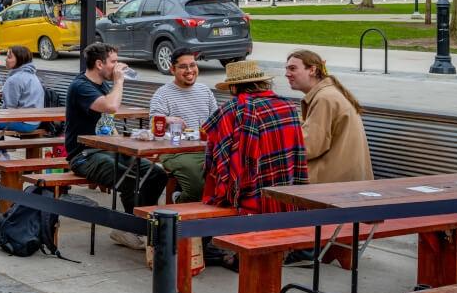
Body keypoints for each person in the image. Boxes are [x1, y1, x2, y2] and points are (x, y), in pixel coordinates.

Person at [66, 42, 168, 249]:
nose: (118, 66)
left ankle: (141, 225)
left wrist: (130, 139)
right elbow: (111, 107)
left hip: (108, 150)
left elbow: (108, 123)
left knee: (157, 174)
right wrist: (119, 81)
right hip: (84, 154)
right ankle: (128, 228)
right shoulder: (81, 86)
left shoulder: (104, 86)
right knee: (130, 178)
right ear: (99, 64)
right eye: (113, 62)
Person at [202, 60, 307, 216]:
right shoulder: (288, 106)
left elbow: (214, 156)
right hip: (287, 192)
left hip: (249, 196)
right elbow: (298, 152)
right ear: (261, 81)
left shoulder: (231, 109)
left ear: (234, 86)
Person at [285, 49, 373, 184]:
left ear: (312, 70)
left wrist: (277, 138)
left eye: (292, 69)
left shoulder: (324, 98)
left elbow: (310, 146)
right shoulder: (328, 92)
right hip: (348, 177)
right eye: (287, 69)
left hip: (335, 181)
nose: (287, 74)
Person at [148, 49, 220, 203]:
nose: (189, 71)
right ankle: (179, 203)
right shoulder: (163, 94)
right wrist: (168, 120)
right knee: (198, 186)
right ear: (172, 69)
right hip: (174, 151)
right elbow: (154, 123)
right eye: (183, 67)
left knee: (227, 176)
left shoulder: (205, 91)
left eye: (192, 65)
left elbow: (217, 122)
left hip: (206, 149)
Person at [0, 45, 44, 133]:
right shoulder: (32, 75)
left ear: (19, 59)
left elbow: (9, 108)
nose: (6, 59)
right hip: (35, 122)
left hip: (23, 123)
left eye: (9, 57)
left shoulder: (14, 79)